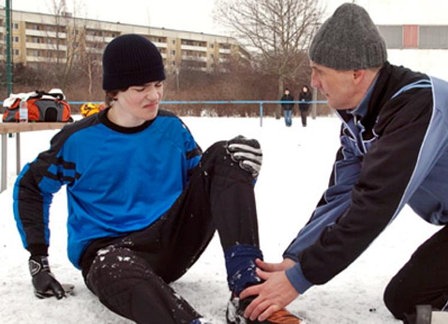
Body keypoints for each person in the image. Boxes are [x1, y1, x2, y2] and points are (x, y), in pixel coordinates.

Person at [238, 3, 448, 323]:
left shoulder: (418, 107)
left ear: (356, 74)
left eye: (319, 71)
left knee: (412, 303)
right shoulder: (358, 117)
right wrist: (295, 259)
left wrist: (301, 278)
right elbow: (342, 195)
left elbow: (374, 205)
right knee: (413, 297)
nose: (313, 82)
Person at [12, 34, 301, 324]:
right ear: (114, 92)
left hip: (170, 242)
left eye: (158, 84)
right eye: (141, 88)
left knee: (227, 154)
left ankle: (247, 294)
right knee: (110, 263)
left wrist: (239, 175)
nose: (154, 95)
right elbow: (30, 188)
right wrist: (39, 261)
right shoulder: (78, 141)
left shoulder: (172, 129)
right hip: (108, 254)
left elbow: (207, 187)